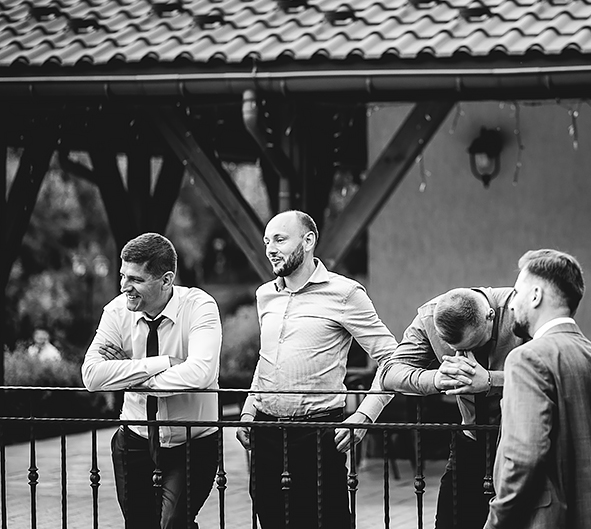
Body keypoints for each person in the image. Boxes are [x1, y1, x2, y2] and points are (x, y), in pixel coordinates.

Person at [235, 210, 398, 529]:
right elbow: (268, 359)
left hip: (318, 434)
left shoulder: (346, 294)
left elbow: (393, 359)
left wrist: (365, 416)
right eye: (267, 241)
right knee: (271, 520)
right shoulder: (265, 295)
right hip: (264, 434)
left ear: (308, 240)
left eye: (280, 239)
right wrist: (248, 410)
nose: (270, 249)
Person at [484, 249, 591, 529]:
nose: (511, 304)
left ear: (535, 295)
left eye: (516, 292)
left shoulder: (527, 359)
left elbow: (523, 458)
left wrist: (496, 523)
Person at [81, 233, 221, 529]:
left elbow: (201, 373)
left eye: (136, 279)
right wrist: (162, 363)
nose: (124, 287)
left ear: (166, 280)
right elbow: (92, 375)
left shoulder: (199, 307)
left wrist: (129, 375)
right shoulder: (116, 312)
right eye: (123, 276)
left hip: (192, 444)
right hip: (134, 441)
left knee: (173, 523)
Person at [381, 285, 521, 529]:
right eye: (456, 349)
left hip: (521, 444)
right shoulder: (429, 317)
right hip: (471, 440)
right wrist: (437, 378)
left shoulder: (519, 308)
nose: (465, 357)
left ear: (490, 315)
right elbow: (390, 373)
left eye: (475, 345)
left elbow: (551, 371)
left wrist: (490, 380)